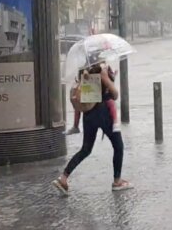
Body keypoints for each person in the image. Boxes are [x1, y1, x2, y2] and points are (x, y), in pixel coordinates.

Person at [52, 64, 132, 195]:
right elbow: (115, 94)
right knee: (118, 146)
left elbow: (79, 100)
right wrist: (106, 78)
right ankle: (117, 181)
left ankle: (63, 178)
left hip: (89, 114)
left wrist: (76, 124)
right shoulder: (101, 70)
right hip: (104, 112)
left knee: (86, 149)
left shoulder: (83, 71)